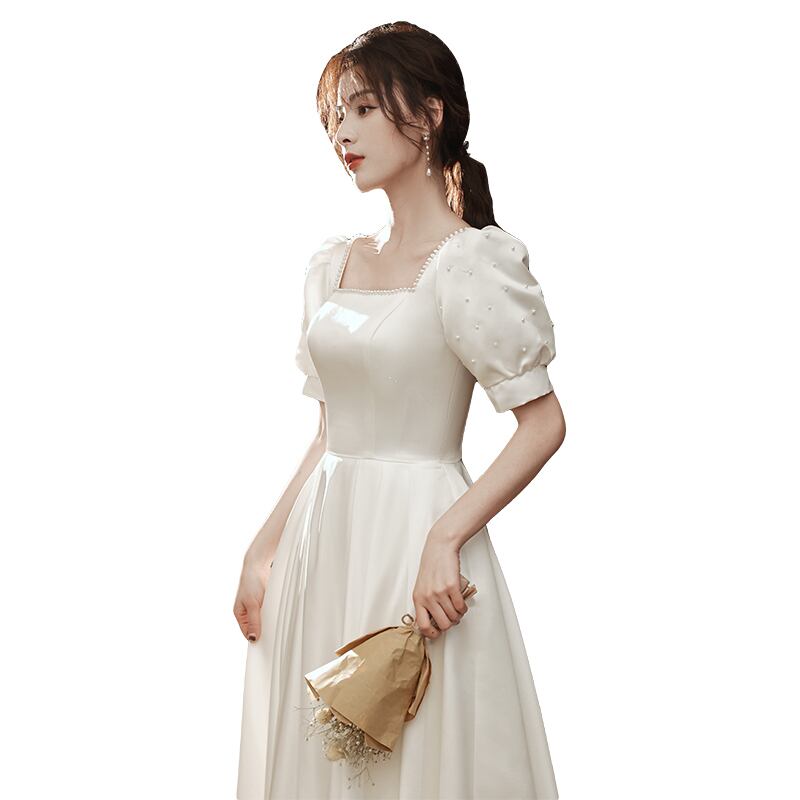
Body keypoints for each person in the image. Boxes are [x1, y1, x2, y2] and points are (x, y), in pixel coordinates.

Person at [234, 21, 565, 800]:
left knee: (415, 760)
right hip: (325, 536)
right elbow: (329, 430)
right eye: (334, 116)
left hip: (419, 535)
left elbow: (543, 422)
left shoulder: (471, 263)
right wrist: (263, 545)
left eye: (362, 109)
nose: (341, 133)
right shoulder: (335, 264)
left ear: (429, 114)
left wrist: (446, 536)